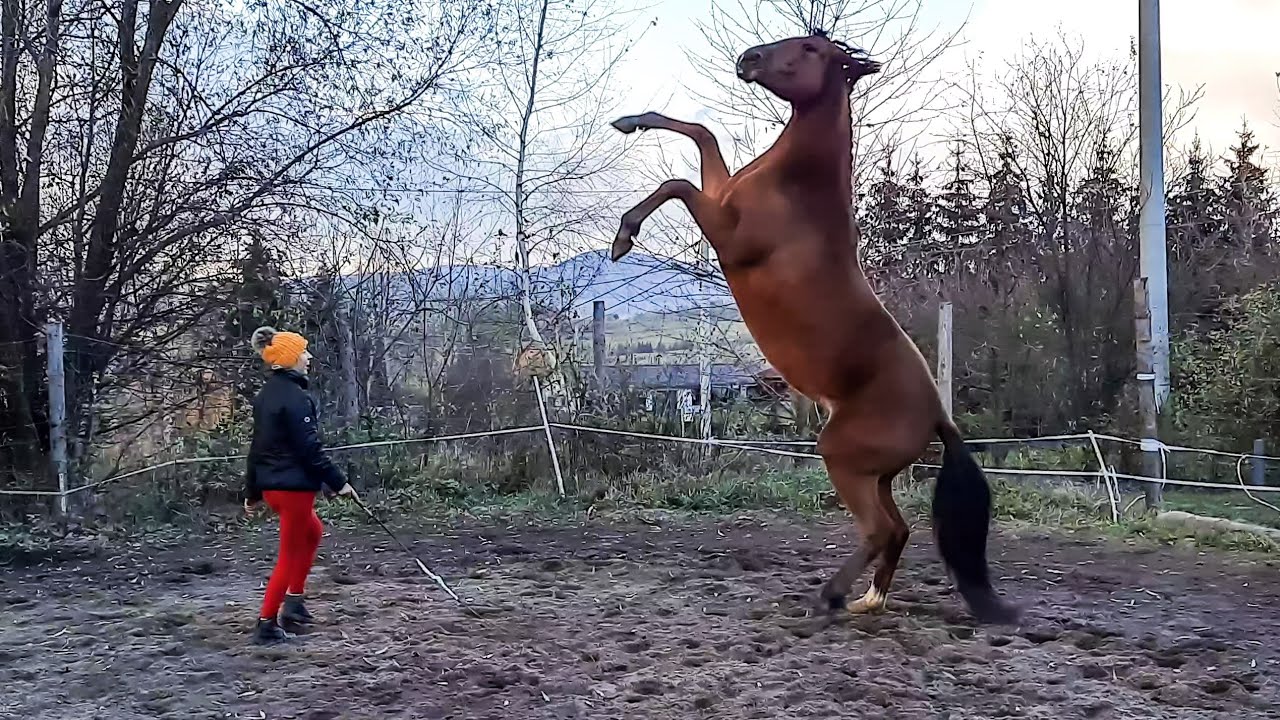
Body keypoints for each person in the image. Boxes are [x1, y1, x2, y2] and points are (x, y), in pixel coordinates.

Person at [243, 325, 357, 644]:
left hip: (276, 486)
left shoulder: (267, 396)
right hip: (292, 490)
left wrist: (253, 492)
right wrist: (338, 482)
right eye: (303, 352)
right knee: (289, 555)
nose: (309, 357)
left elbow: (258, 448)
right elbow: (309, 449)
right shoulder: (296, 399)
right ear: (290, 359)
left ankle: (294, 603)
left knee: (313, 532)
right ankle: (266, 624)